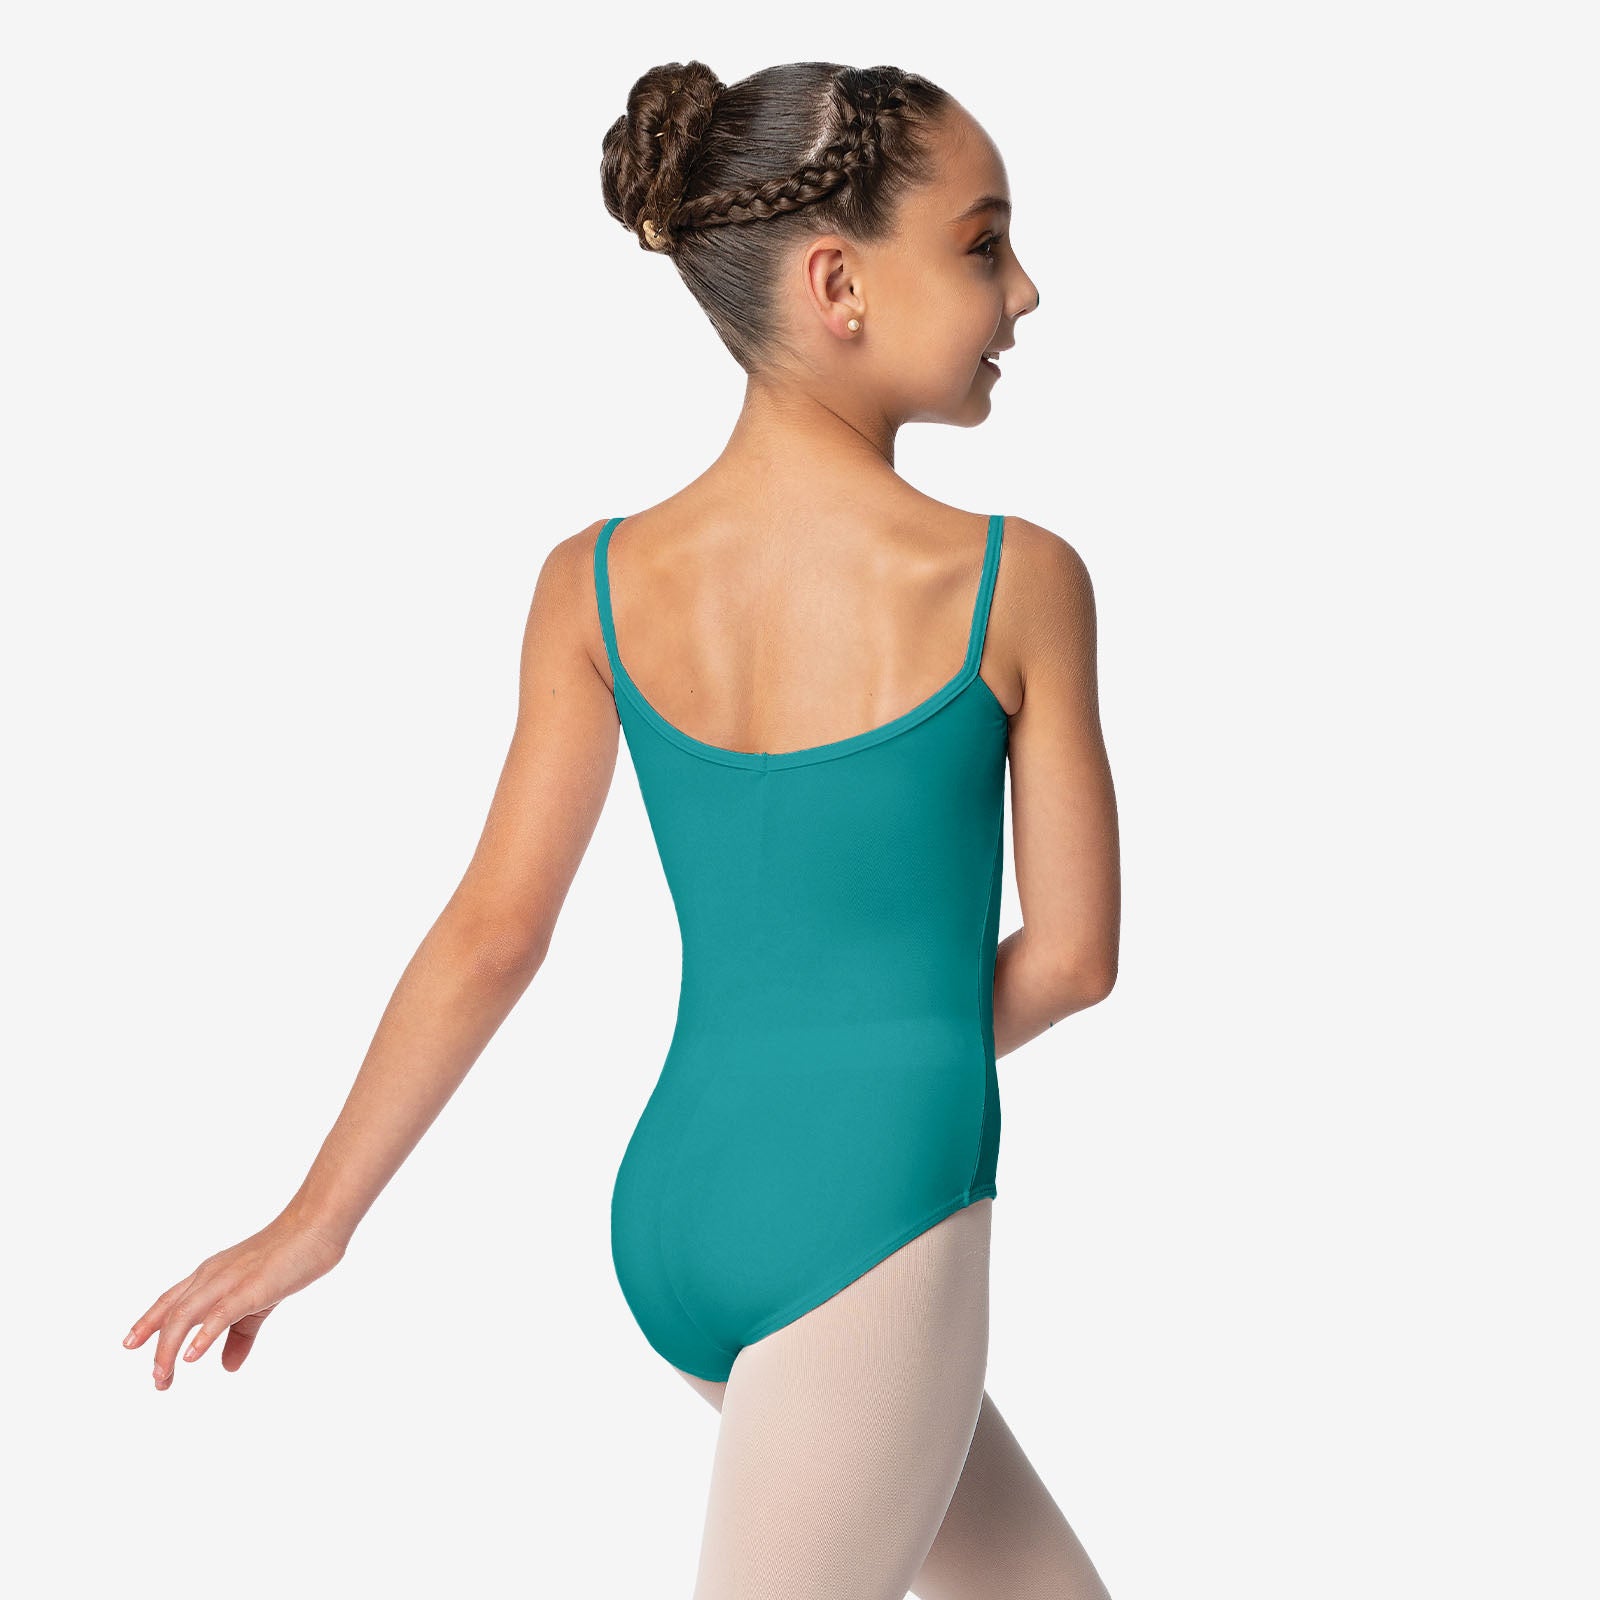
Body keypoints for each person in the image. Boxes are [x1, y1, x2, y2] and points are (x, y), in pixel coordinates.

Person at [123, 60, 1121, 1600]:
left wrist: (318, 1219)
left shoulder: (593, 581)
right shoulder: (1014, 579)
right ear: (837, 282)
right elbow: (1071, 963)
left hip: (678, 1193)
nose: (1025, 290)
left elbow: (492, 933)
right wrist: (870, 1058)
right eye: (984, 244)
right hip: (873, 1200)